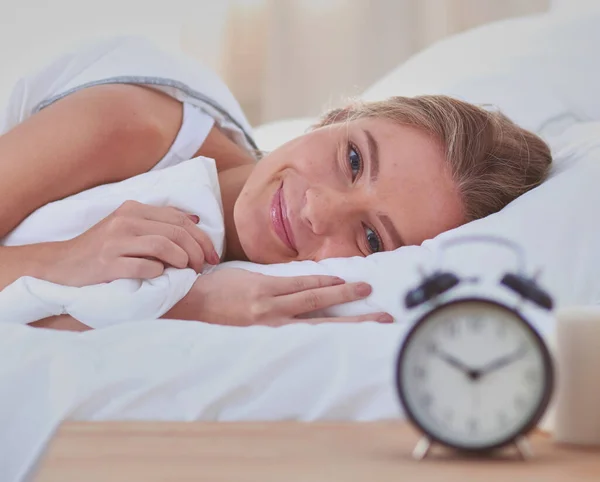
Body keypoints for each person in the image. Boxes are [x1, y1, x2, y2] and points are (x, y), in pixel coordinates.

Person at [0, 68, 551, 331]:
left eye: (371, 237)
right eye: (353, 160)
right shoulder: (127, 127)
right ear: (337, 117)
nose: (317, 210)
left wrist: (187, 305)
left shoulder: (257, 295)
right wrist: (63, 260)